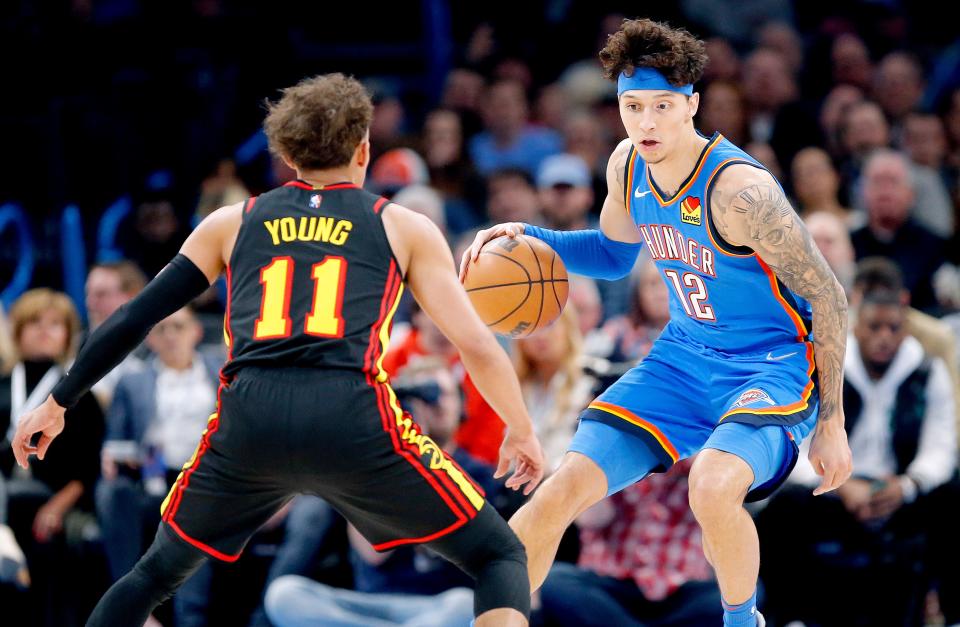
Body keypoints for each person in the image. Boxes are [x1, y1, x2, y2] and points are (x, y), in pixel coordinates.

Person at [11, 73, 544, 627]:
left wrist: (59, 401)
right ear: (364, 148)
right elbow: (476, 343)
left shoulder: (230, 222)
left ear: (286, 153)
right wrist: (521, 427)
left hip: (250, 421)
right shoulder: (402, 225)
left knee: (151, 576)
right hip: (352, 418)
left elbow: (134, 316)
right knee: (498, 554)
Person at [461, 19, 852, 627]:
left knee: (712, 486)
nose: (645, 123)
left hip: (772, 363)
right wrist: (528, 237)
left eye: (662, 106)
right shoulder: (626, 165)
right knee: (555, 495)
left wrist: (831, 423)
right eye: (632, 105)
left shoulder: (741, 193)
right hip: (682, 357)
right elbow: (615, 257)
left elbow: (829, 297)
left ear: (692, 105)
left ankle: (743, 621)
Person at [761, 287, 959, 626]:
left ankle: (949, 612)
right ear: (856, 328)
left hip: (896, 489)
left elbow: (941, 447)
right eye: (875, 327)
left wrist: (908, 485)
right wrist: (839, 485)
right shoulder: (824, 369)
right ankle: (784, 615)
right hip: (833, 490)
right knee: (782, 508)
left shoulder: (928, 371)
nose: (884, 337)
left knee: (953, 500)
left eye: (893, 328)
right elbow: (797, 445)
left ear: (905, 330)